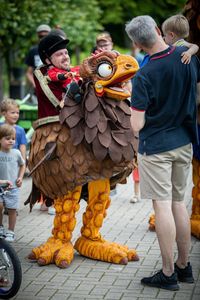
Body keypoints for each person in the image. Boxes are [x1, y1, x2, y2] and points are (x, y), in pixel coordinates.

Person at [125, 15, 200, 291]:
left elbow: (137, 124)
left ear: (136, 43)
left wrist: (130, 98)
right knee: (179, 203)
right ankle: (183, 266)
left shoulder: (144, 74)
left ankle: (168, 273)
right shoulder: (186, 56)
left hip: (156, 147)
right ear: (158, 30)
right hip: (184, 142)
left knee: (162, 205)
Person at [0, 124, 25, 242]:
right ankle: (0, 228)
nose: (11, 141)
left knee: (12, 210)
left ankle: (10, 231)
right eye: (7, 138)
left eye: (13, 138)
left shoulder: (16, 153)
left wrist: (20, 177)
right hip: (0, 187)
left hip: (13, 188)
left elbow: (22, 165)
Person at [25, 24, 51, 91]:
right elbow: (29, 73)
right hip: (38, 90)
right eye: (40, 36)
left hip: (52, 87)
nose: (43, 38)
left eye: (46, 36)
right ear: (37, 36)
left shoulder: (54, 50)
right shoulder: (33, 51)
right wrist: (35, 84)